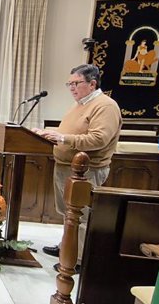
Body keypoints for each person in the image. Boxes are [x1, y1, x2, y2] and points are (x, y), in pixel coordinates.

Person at [33, 64, 122, 272]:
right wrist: (47, 133)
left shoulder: (105, 106)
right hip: (67, 167)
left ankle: (79, 258)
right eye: (69, 84)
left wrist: (62, 138)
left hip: (87, 170)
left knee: (80, 215)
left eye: (76, 83)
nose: (72, 88)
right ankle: (67, 246)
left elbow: (99, 139)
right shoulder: (80, 104)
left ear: (92, 84)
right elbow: (70, 132)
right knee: (68, 213)